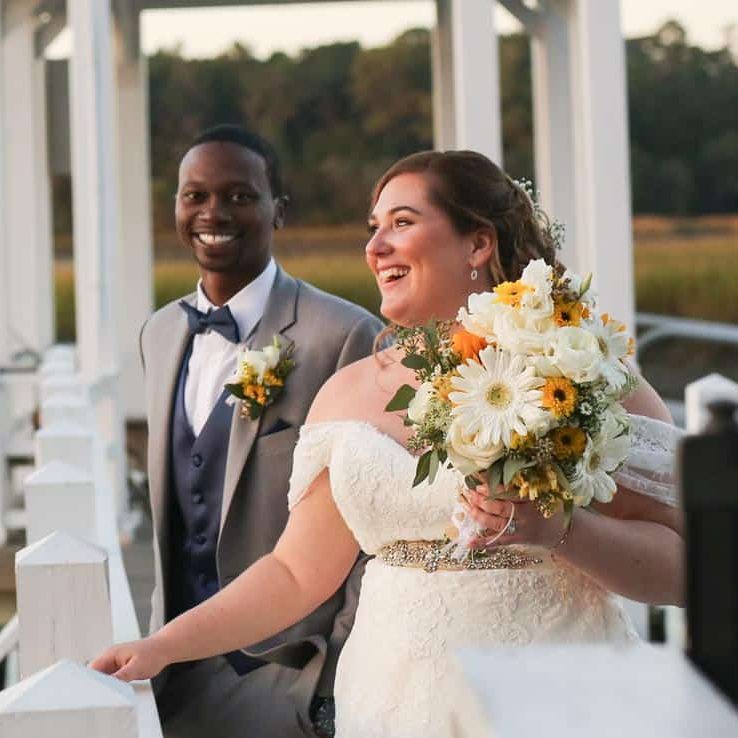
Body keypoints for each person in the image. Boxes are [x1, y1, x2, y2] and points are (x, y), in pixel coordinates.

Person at [94, 151, 684, 738]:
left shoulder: (577, 369)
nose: (376, 247)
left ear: (477, 244)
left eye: (401, 223)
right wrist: (164, 646)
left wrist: (559, 531)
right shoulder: (348, 391)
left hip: (556, 695)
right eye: (373, 228)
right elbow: (295, 573)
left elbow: (688, 566)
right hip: (390, 701)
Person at [133, 124, 383, 738]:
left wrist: (326, 687)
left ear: (280, 209)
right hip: (171, 672)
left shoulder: (343, 334)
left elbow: (373, 524)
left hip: (286, 677)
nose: (213, 212)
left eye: (240, 196)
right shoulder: (159, 333)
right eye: (195, 196)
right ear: (176, 208)